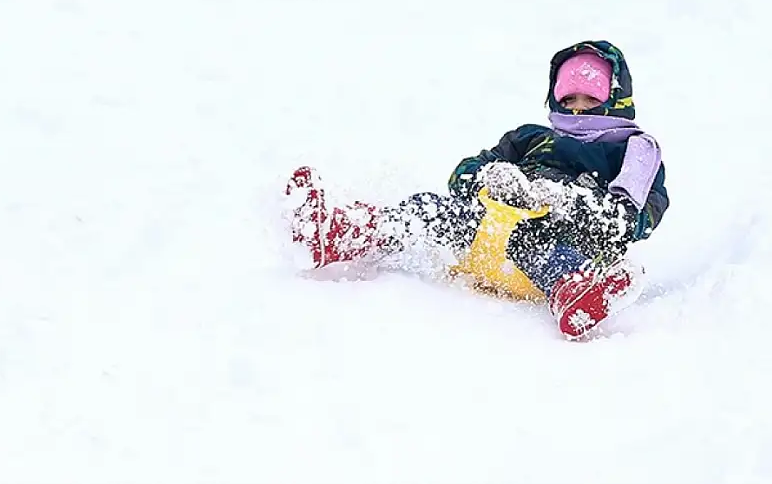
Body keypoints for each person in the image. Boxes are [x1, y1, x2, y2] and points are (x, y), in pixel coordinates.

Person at [284, 40, 670, 339]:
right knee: (428, 209)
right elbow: (463, 174)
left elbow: (628, 221)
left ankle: (576, 294)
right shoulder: (530, 138)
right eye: (568, 98)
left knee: (546, 248)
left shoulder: (634, 151)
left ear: (615, 99)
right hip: (483, 236)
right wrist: (491, 176)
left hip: (549, 251)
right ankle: (348, 232)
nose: (577, 109)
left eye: (590, 99)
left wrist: (565, 202)